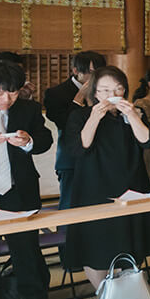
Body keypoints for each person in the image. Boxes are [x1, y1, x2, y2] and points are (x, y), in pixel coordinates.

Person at [61, 66, 150, 290]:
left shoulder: (134, 113)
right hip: (93, 187)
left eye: (118, 89)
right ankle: (104, 293)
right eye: (105, 90)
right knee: (95, 244)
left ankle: (129, 291)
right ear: (95, 92)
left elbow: (147, 141)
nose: (112, 95)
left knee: (131, 239)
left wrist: (133, 115)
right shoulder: (80, 116)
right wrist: (95, 118)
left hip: (131, 184)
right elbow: (79, 148)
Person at [0, 59, 55, 299]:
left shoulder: (28, 109)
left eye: (12, 92)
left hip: (19, 192)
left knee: (27, 254)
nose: (6, 99)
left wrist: (29, 142)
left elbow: (45, 140)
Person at [44, 50, 105, 209]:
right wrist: (78, 98)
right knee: (69, 203)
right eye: (91, 72)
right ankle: (66, 234)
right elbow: (63, 122)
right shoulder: (56, 93)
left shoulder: (104, 90)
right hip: (71, 157)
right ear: (76, 71)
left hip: (100, 155)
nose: (95, 77)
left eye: (99, 72)